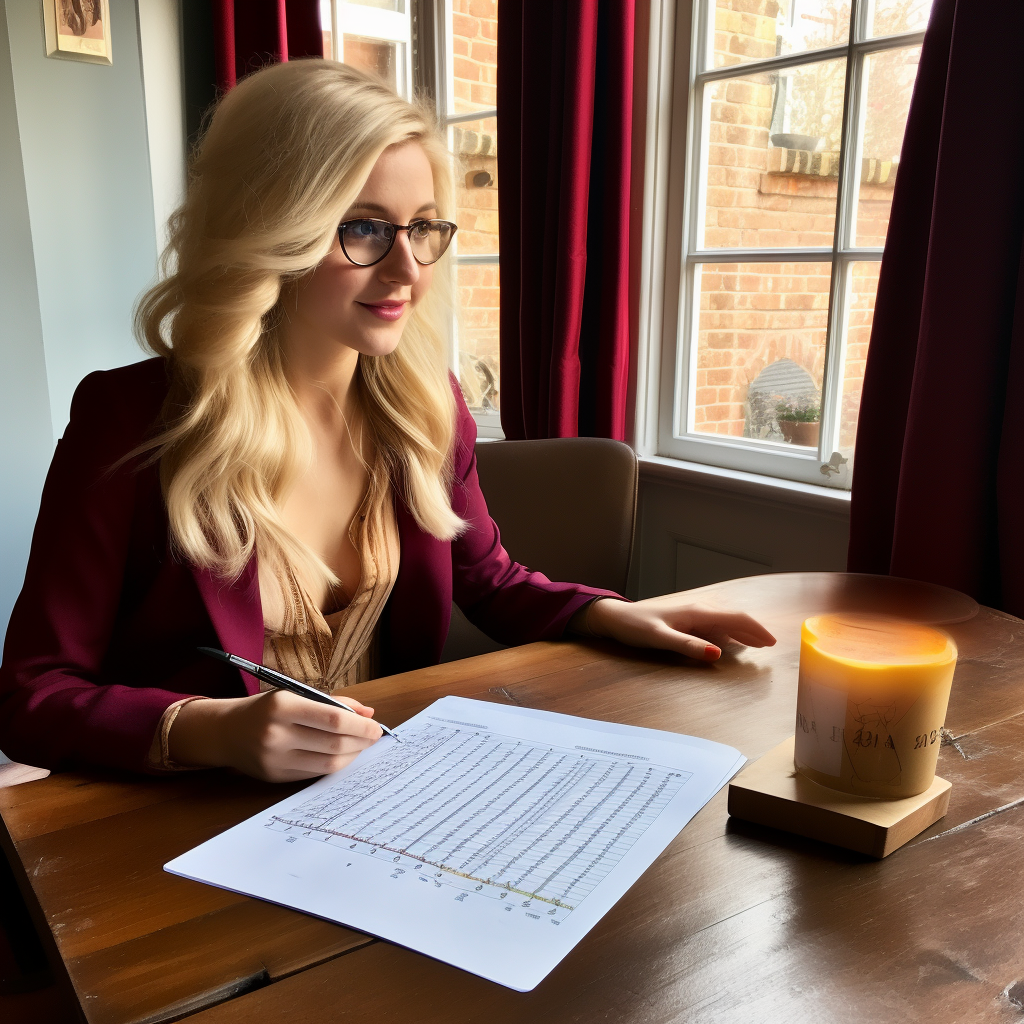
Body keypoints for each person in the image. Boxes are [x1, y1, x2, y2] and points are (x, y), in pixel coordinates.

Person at [0, 61, 774, 783]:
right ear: (272, 228)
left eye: (423, 228)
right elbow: (30, 696)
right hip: (182, 825)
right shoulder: (130, 420)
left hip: (383, 795)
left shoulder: (423, 407)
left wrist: (616, 614)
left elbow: (492, 581)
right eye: (365, 227)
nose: (408, 268)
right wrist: (208, 730)